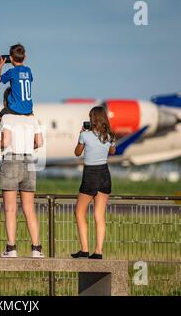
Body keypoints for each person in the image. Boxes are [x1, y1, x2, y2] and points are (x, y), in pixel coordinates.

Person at [0, 111, 44, 258]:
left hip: (11, 160)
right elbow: (39, 142)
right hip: (29, 162)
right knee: (29, 209)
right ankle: (36, 248)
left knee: (10, 209)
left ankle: (11, 248)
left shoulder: (7, 117)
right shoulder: (32, 118)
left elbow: (5, 142)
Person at [71, 106, 116, 260]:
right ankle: (98, 251)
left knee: (79, 212)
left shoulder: (85, 135)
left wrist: (80, 135)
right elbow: (113, 152)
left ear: (93, 119)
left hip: (90, 174)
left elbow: (77, 153)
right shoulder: (109, 136)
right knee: (99, 215)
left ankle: (84, 249)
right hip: (105, 174)